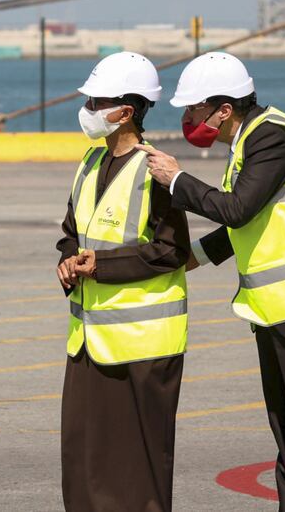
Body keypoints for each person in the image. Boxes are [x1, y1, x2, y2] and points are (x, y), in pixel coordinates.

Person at [140, 51, 285, 512]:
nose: (188, 119)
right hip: (274, 306)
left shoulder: (273, 136)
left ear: (223, 110)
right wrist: (192, 257)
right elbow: (248, 223)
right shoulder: (248, 141)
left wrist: (177, 179)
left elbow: (237, 208)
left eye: (195, 110)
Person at [56, 52, 190, 512]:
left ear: (126, 112)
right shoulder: (89, 163)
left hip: (143, 346)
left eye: (97, 101)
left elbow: (171, 251)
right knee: (83, 462)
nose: (89, 109)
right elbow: (72, 233)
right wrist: (68, 261)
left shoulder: (156, 170)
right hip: (89, 342)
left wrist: (102, 266)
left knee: (138, 474)